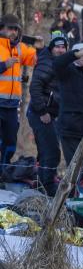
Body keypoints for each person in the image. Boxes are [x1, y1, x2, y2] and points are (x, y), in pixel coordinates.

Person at [28, 35, 67, 195]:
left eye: (63, 47)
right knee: (51, 152)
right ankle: (47, 186)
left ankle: (41, 184)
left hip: (52, 114)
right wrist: (43, 111)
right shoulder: (47, 62)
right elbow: (35, 87)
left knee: (45, 151)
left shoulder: (62, 64)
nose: (60, 50)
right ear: (51, 49)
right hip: (40, 113)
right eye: (57, 47)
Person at [0, 14, 38, 171]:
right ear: (1, 28)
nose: (13, 32)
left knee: (10, 143)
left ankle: (3, 172)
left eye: (16, 29)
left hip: (11, 106)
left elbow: (36, 58)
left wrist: (41, 46)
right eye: (10, 28)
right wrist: (3, 65)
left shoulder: (20, 48)